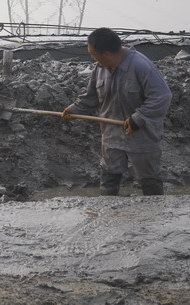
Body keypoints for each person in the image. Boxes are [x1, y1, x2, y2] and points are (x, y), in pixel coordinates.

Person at [62, 28, 172, 196]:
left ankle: (155, 210)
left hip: (141, 135)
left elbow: (162, 96)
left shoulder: (141, 66)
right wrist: (75, 109)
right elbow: (92, 96)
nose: (92, 58)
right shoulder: (100, 68)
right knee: (109, 175)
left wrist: (139, 118)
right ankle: (108, 209)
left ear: (106, 53)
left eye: (93, 54)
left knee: (148, 178)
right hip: (111, 134)